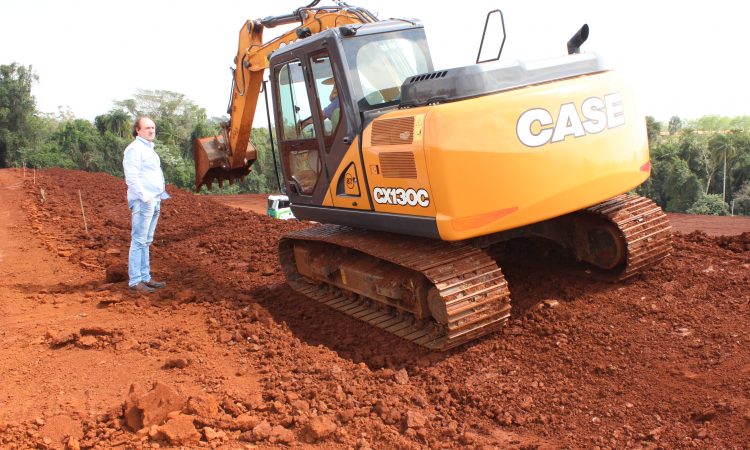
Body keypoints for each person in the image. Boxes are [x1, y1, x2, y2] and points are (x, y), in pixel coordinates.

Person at [122, 116, 170, 293]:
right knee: (139, 240)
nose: (151, 130)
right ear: (137, 130)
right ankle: (135, 281)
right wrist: (145, 197)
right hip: (144, 201)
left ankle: (145, 278)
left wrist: (155, 197)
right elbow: (131, 177)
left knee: (146, 241)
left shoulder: (149, 149)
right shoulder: (134, 149)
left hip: (155, 199)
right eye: (147, 128)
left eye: (153, 128)